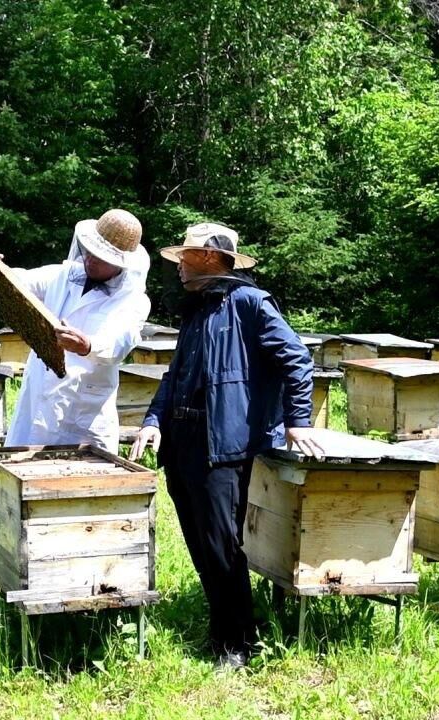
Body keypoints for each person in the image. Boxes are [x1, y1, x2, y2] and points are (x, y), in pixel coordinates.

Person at [128, 222, 326, 669]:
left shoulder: (249, 304)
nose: (179, 266)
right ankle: (224, 625)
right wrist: (154, 420)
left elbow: (297, 360)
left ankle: (238, 643)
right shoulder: (198, 310)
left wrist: (297, 422)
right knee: (200, 543)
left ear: (212, 259)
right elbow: (175, 375)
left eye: (187, 257)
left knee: (221, 545)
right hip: (184, 444)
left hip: (227, 446)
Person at [0, 209, 150, 454]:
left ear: (120, 263)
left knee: (82, 487)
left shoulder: (134, 301)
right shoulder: (63, 275)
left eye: (100, 258)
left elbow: (122, 342)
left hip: (84, 416)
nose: (90, 259)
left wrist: (88, 345)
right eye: (89, 251)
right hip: (37, 399)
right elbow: (14, 286)